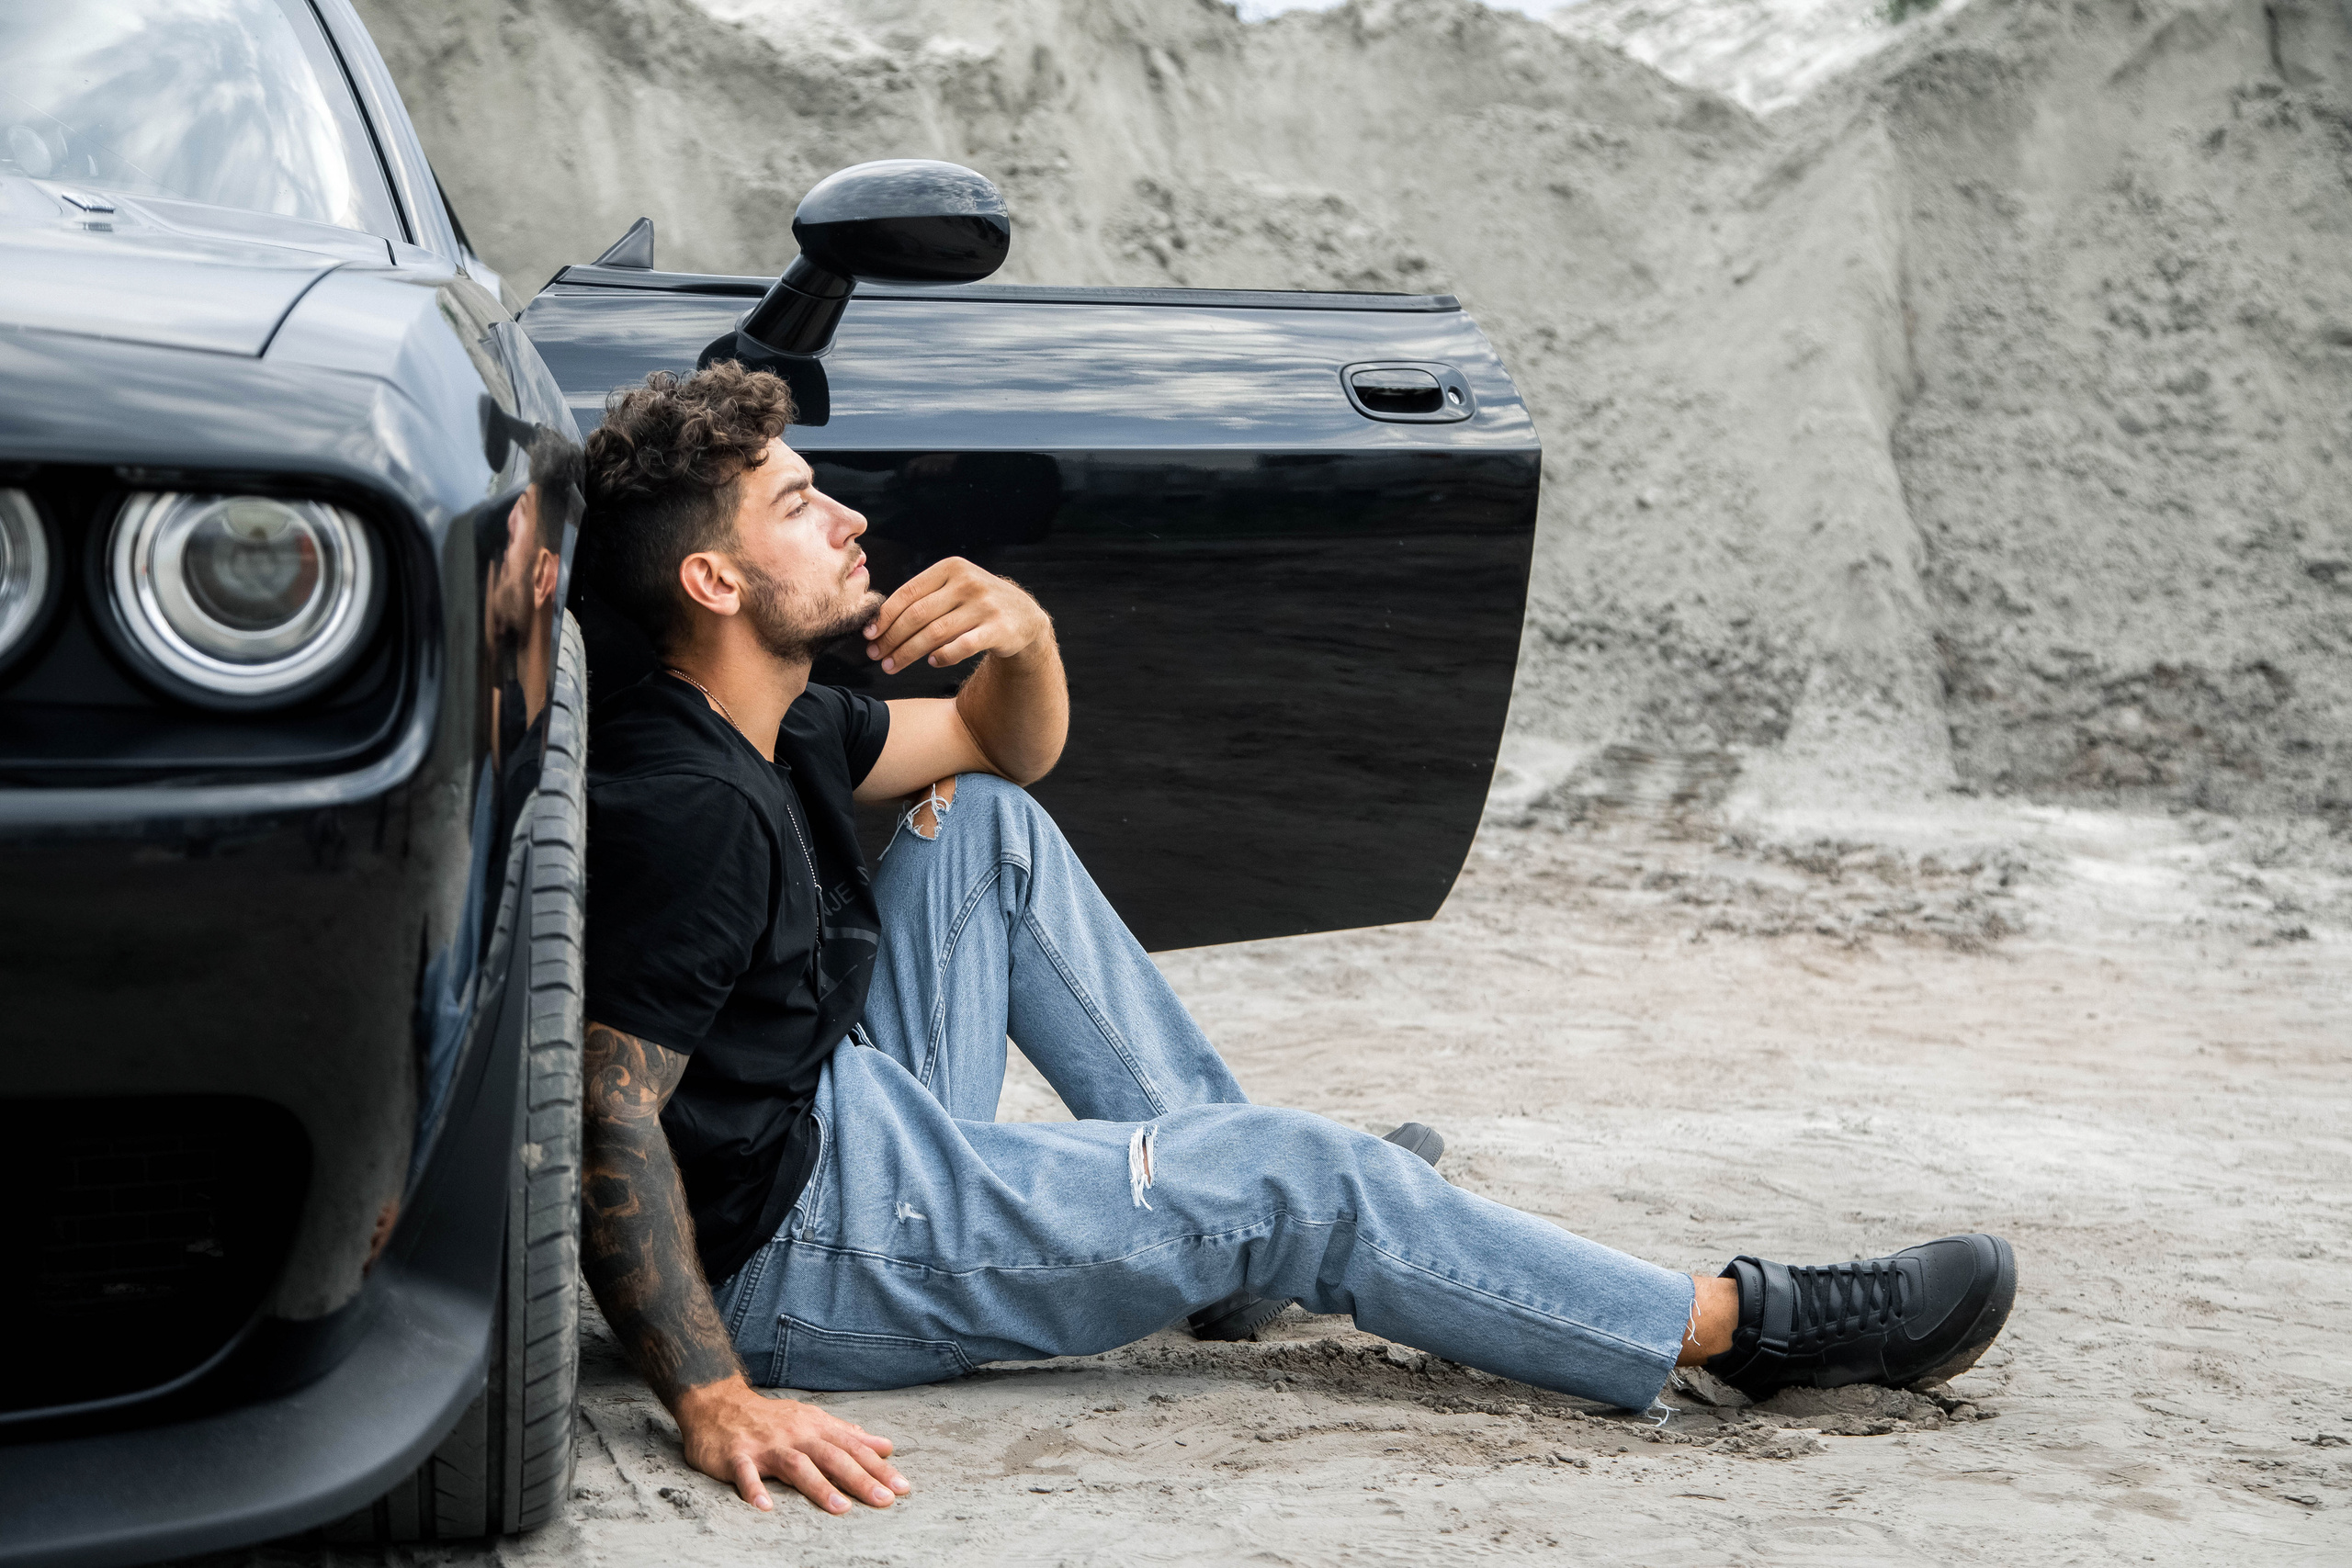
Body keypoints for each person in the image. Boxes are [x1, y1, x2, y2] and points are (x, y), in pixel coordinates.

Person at [574, 364, 2018, 1517]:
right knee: (1311, 1177)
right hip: (805, 1258)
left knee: (983, 829)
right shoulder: (690, 806)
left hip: (838, 1120)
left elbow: (1010, 751)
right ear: (712, 583)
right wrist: (710, 1391)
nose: (850, 523)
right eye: (800, 505)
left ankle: (1227, 1244)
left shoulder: (772, 720)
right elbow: (603, 1113)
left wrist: (1027, 639)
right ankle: (1735, 1329)